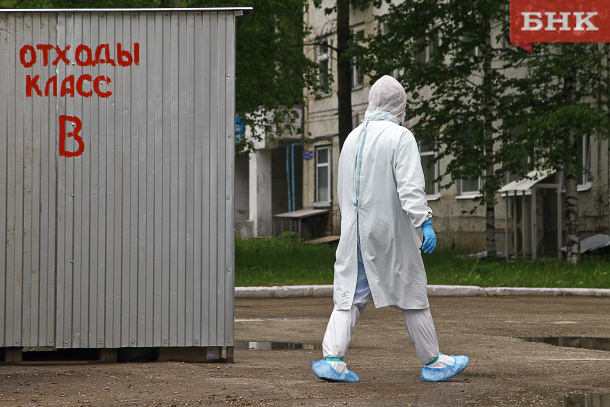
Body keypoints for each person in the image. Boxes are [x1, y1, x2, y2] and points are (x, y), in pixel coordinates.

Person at [311, 75, 469, 383]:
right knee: (412, 291)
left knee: (349, 294)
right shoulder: (400, 136)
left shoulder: (352, 138)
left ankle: (332, 359)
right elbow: (410, 186)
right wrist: (424, 222)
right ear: (400, 104)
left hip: (355, 231)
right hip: (389, 232)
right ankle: (433, 361)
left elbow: (344, 187)